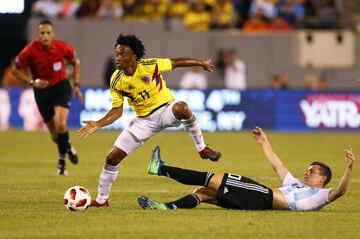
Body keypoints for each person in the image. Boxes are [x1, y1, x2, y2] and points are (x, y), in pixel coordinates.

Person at [77, 34, 221, 207]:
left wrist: (201, 63)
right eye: (117, 54)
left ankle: (202, 148)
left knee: (182, 107)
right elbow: (117, 111)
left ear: (134, 57)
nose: (118, 58)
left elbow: (176, 62)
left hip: (166, 109)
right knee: (112, 158)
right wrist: (98, 124)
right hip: (143, 121)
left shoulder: (149, 66)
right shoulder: (116, 80)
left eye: (123, 54)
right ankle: (101, 200)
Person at [138, 127, 355, 211]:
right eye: (308, 169)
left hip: (266, 198)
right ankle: (166, 208)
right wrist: (265, 142)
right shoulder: (296, 185)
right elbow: (277, 164)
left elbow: (341, 191)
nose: (308, 172)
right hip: (260, 199)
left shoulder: (322, 195)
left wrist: (349, 168)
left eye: (313, 171)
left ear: (323, 179)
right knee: (203, 194)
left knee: (213, 177)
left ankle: (160, 168)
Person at [12, 20, 83, 176]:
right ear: (38, 35)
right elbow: (15, 69)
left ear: (53, 34)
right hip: (42, 92)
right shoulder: (30, 50)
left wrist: (76, 84)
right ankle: (68, 145)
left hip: (60, 87)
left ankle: (62, 163)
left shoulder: (62, 47)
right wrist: (32, 82)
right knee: (54, 135)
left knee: (61, 123)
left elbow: (75, 61)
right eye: (42, 33)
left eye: (48, 33)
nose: (45, 36)